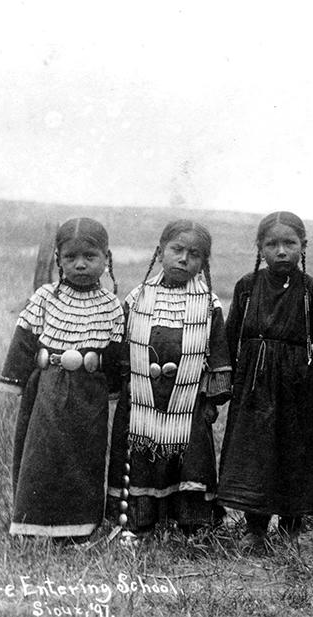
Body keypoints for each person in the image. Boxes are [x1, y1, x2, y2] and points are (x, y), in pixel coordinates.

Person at [218, 212, 313, 550]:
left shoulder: (312, 291)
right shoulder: (247, 287)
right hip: (253, 387)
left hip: (297, 388)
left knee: (295, 452)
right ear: (259, 248)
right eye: (272, 244)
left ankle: (292, 528)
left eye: (289, 243)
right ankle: (255, 529)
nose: (281, 251)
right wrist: (221, 382)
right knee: (254, 454)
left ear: (303, 246)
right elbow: (230, 337)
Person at [0, 217, 124, 541]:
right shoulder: (45, 297)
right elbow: (25, 339)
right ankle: (33, 522)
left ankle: (79, 525)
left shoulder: (111, 306)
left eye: (90, 257)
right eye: (71, 257)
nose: (80, 264)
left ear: (106, 259)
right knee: (42, 453)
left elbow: (113, 353)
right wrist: (14, 380)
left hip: (88, 395)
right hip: (47, 391)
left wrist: (113, 391)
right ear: (58, 260)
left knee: (85, 457)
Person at [107, 220, 231, 540]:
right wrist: (127, 393)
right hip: (142, 400)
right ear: (160, 252)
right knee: (143, 460)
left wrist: (212, 400)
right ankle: (139, 523)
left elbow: (218, 353)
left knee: (191, 461)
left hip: (189, 400)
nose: (184, 259)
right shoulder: (137, 299)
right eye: (177, 250)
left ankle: (194, 524)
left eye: (195, 254)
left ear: (204, 262)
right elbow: (123, 352)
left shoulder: (208, 304)